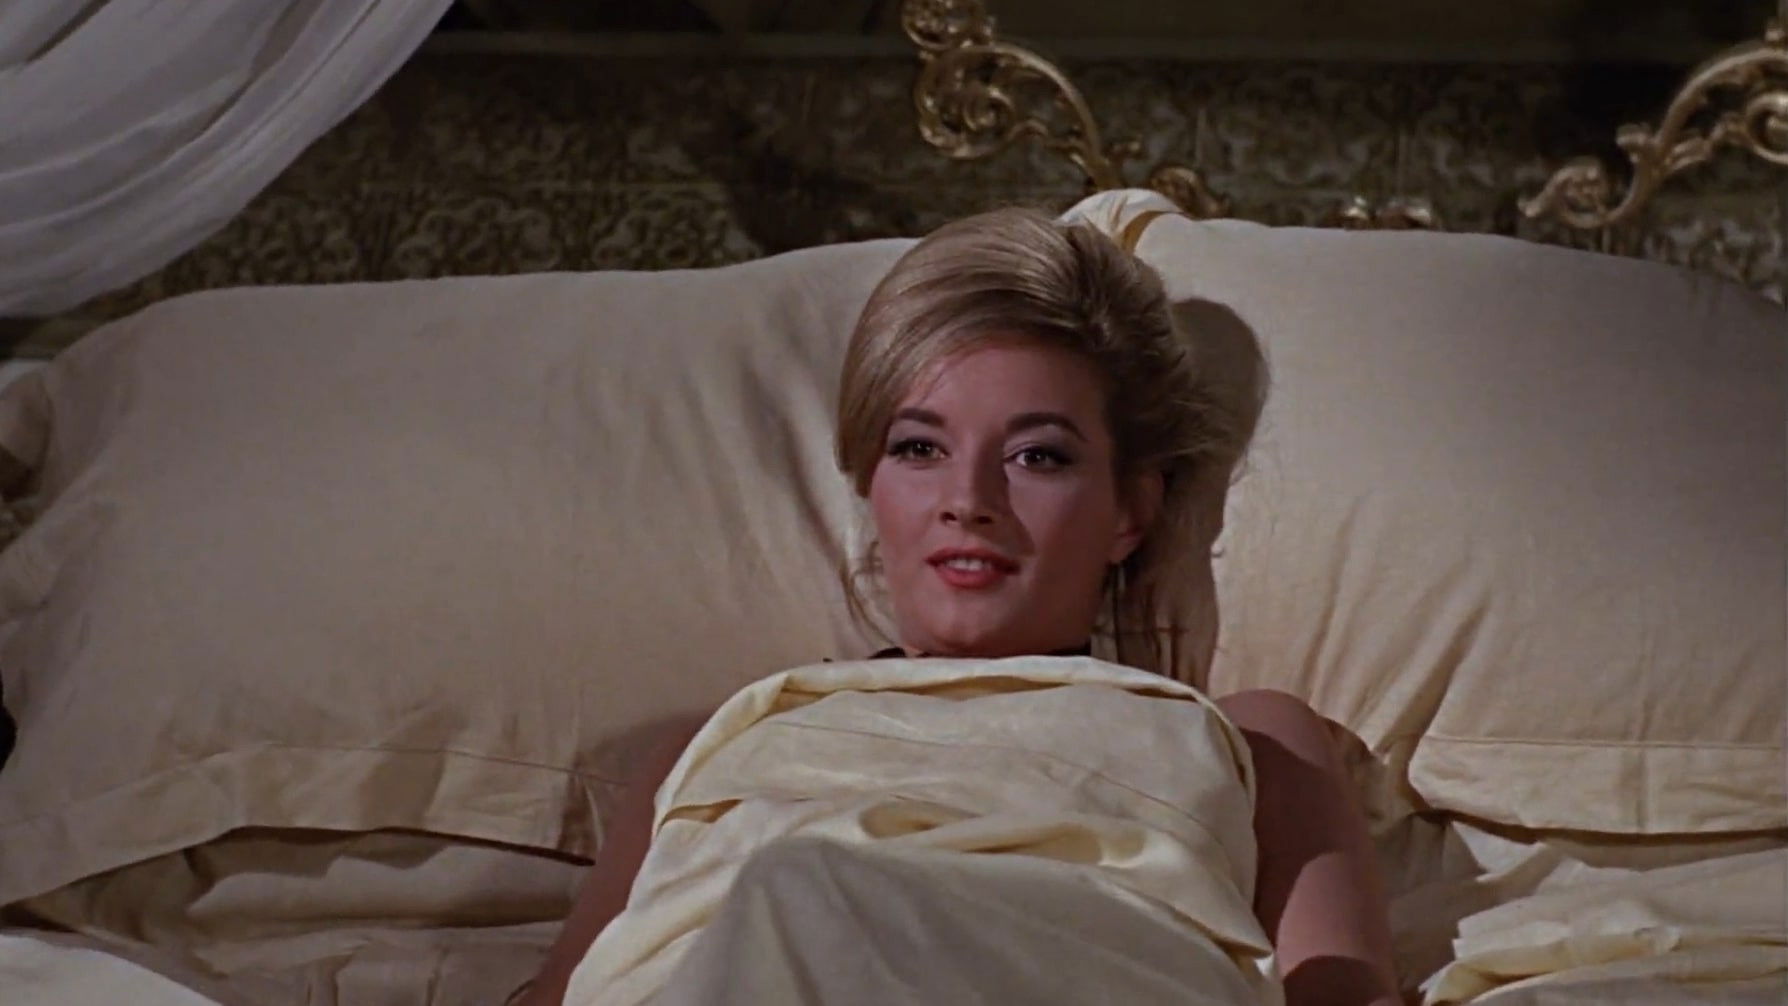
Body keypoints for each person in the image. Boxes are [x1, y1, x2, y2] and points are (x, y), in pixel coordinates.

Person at [518, 206, 1399, 1006]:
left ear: (1130, 511)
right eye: (919, 448)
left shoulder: (1250, 739)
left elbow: (1343, 997)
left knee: (807, 895)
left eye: (1038, 457)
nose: (968, 500)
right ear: (871, 485)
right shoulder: (716, 742)